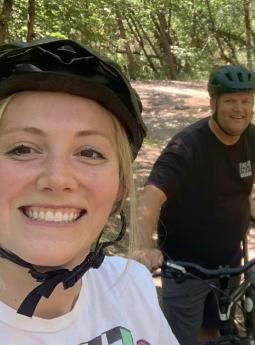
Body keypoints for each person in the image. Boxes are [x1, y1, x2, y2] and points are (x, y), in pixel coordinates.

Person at [0, 38, 177, 344]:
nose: (57, 179)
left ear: (120, 188)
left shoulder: (132, 286)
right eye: (23, 149)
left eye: (90, 153)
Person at [133, 64, 255, 344]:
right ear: (213, 103)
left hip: (230, 264)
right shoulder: (187, 146)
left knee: (214, 331)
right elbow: (151, 195)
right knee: (180, 338)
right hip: (187, 270)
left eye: (246, 101)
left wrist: (249, 203)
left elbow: (243, 178)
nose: (239, 108)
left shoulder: (251, 136)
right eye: (230, 101)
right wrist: (143, 246)